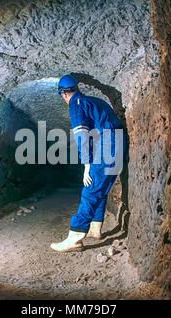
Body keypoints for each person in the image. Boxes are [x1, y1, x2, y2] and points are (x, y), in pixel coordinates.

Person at [50, 74, 124, 253]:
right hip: (118, 145)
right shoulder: (96, 101)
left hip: (106, 148)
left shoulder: (77, 105)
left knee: (90, 190)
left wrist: (87, 166)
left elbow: (82, 136)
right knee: (101, 189)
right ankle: (95, 228)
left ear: (64, 94)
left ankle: (75, 238)